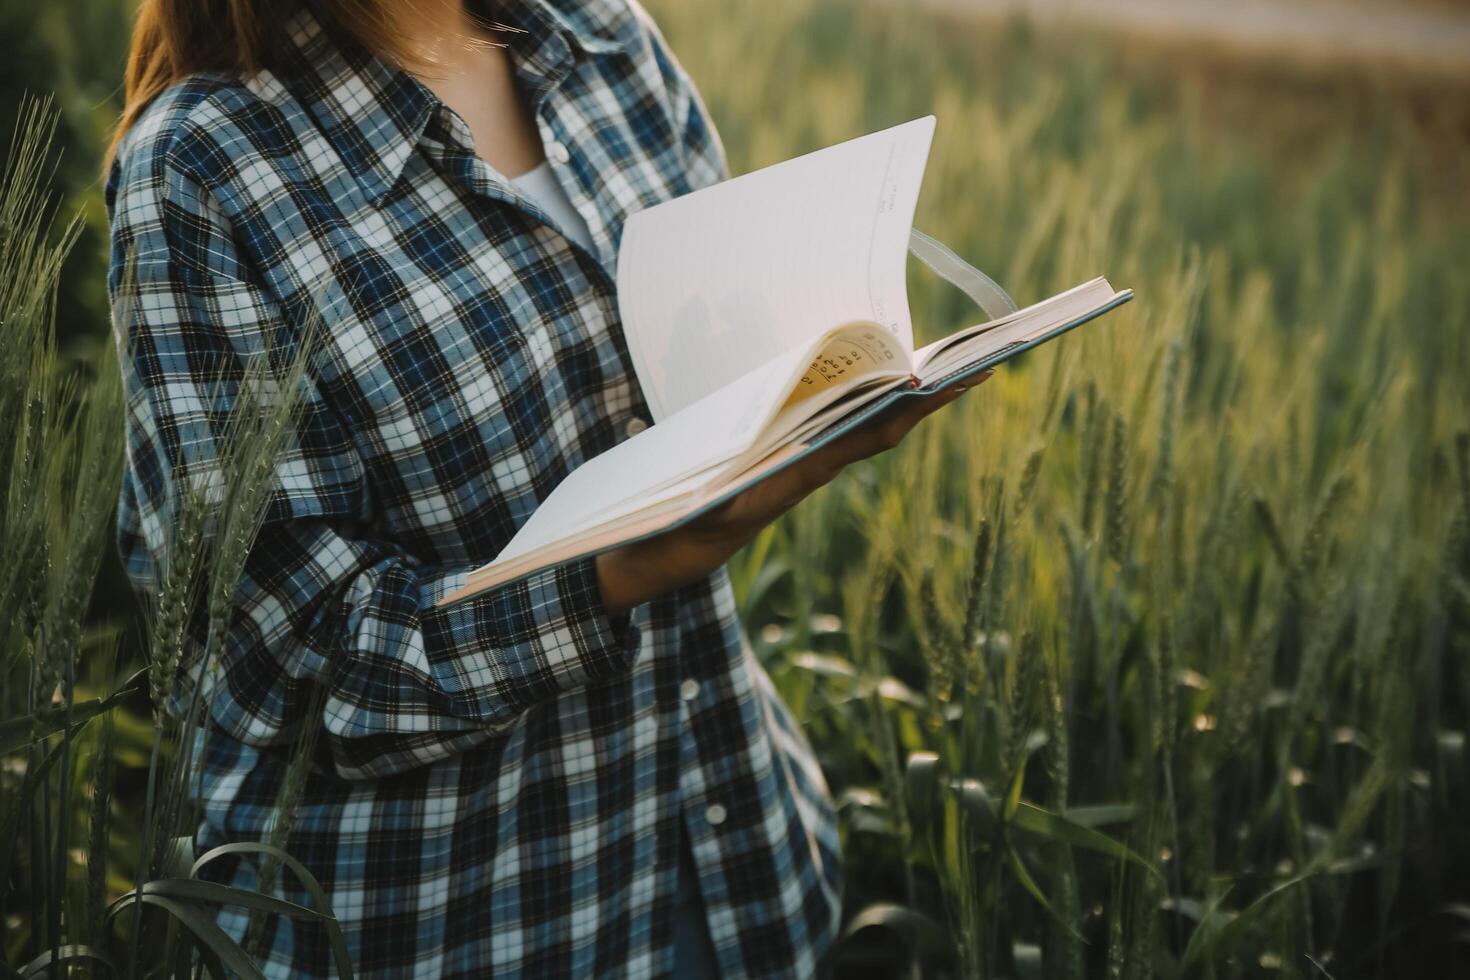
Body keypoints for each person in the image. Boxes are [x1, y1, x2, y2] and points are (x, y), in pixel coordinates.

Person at [103, 0, 985, 975]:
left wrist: (814, 394)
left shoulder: (603, 36)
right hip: (467, 919)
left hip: (733, 853)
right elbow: (280, 658)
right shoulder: (203, 169)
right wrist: (605, 575)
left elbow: (712, 370)